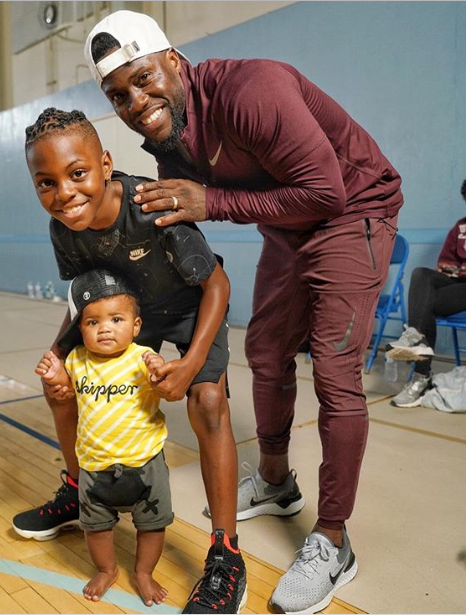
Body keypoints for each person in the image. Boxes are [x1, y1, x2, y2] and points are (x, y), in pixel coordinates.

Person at [83, 10, 404, 614]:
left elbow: (326, 190)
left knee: (335, 373)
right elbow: (184, 232)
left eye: (144, 78)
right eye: (118, 94)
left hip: (351, 208)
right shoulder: (167, 142)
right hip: (289, 222)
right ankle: (278, 483)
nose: (136, 100)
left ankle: (333, 540)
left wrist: (214, 200)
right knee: (264, 351)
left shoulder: (250, 89)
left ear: (173, 61)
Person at [14, 107, 247, 615]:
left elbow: (217, 284)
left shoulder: (148, 204)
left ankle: (226, 554)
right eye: (46, 183)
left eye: (77, 174)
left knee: (207, 400)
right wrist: (56, 358)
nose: (64, 193)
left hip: (190, 307)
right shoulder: (64, 231)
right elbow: (86, 304)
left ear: (105, 164)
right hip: (129, 312)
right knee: (62, 383)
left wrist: (190, 366)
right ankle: (79, 490)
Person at [36, 269, 172, 605]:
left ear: (135, 326)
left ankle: (143, 572)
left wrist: (160, 374)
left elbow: (170, 391)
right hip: (95, 466)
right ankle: (107, 569)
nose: (105, 328)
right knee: (95, 527)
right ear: (80, 329)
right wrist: (57, 377)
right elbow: (66, 393)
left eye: (115, 319)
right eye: (93, 323)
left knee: (152, 525)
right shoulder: (79, 360)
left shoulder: (143, 358)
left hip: (145, 463)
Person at [386, 180, 466, 407]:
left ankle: (421, 377)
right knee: (421, 274)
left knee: (425, 304)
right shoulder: (460, 228)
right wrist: (453, 270)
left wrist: (459, 270)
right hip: (454, 284)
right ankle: (414, 335)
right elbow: (444, 263)